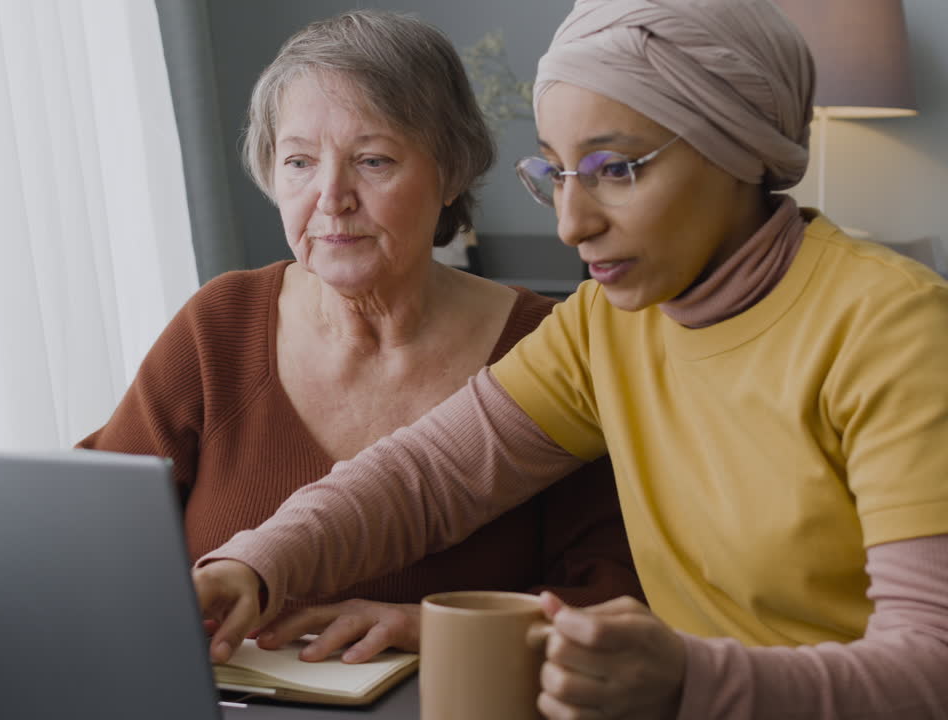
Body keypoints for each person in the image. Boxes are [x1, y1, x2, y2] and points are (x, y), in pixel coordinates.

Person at [193, 0, 948, 717]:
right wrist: (256, 565)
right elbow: (426, 478)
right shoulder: (607, 324)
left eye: (615, 170)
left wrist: (690, 681)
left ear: (738, 150)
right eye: (555, 172)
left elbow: (931, 670)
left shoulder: (892, 330)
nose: (571, 223)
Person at [76, 9, 641, 664]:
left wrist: (432, 630)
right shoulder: (220, 323)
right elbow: (92, 528)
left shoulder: (548, 347)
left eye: (372, 160)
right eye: (299, 162)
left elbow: (611, 595)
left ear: (451, 172)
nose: (330, 196)